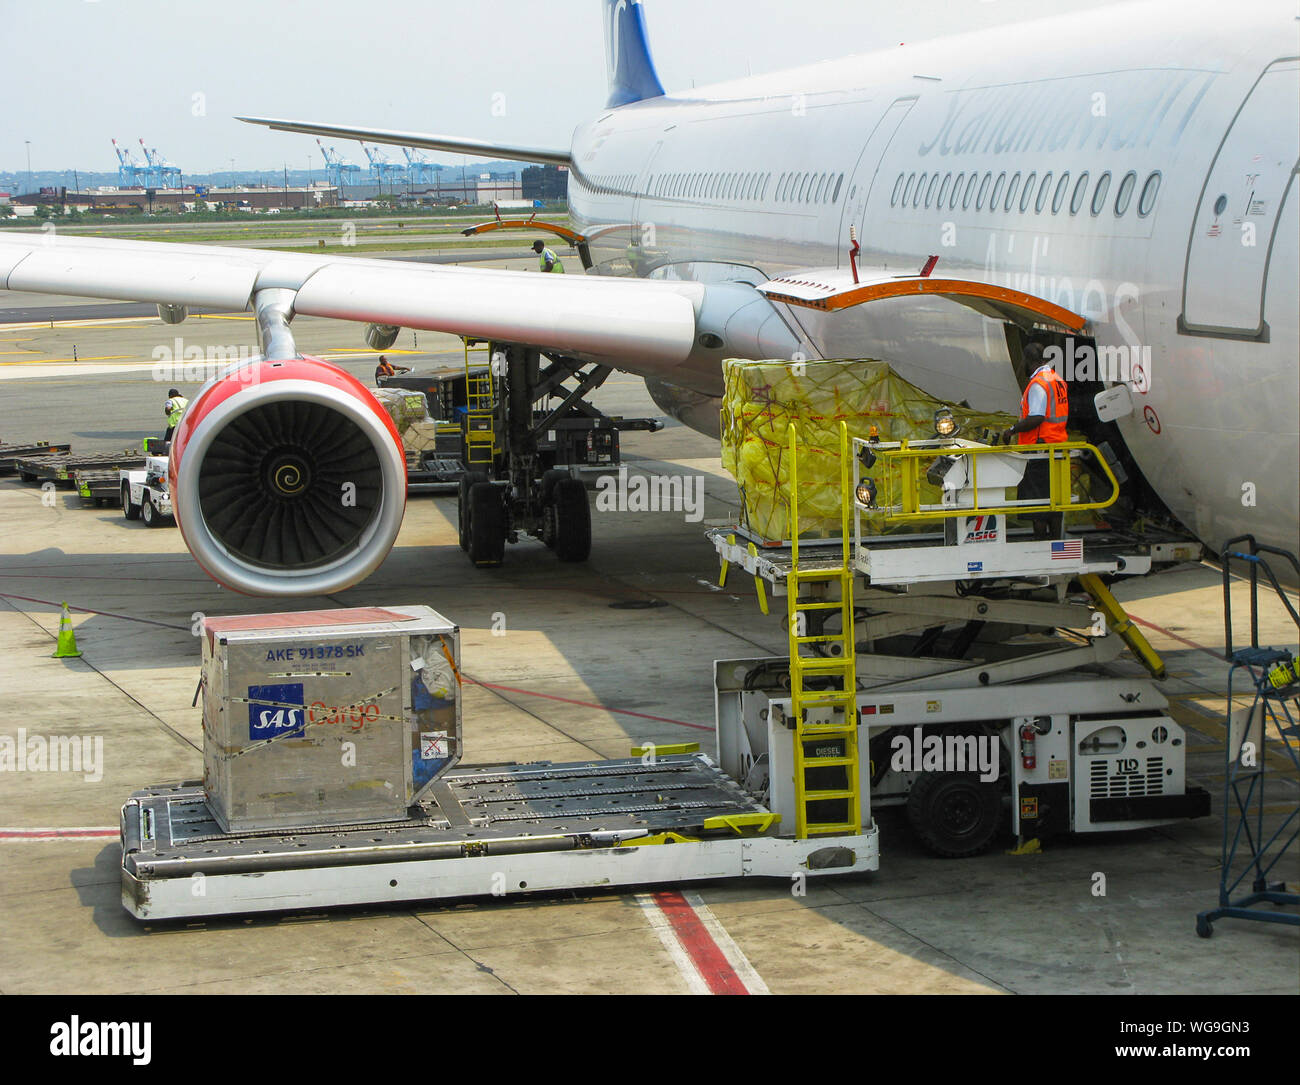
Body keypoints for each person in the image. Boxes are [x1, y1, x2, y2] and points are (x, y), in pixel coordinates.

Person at [1002, 342, 1069, 538]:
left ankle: (1041, 544)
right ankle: (1056, 543)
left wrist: (1011, 430)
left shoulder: (1038, 384)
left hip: (1039, 450)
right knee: (1054, 502)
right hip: (1057, 448)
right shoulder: (1057, 380)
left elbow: (1036, 417)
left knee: (1037, 505)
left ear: (1029, 361)